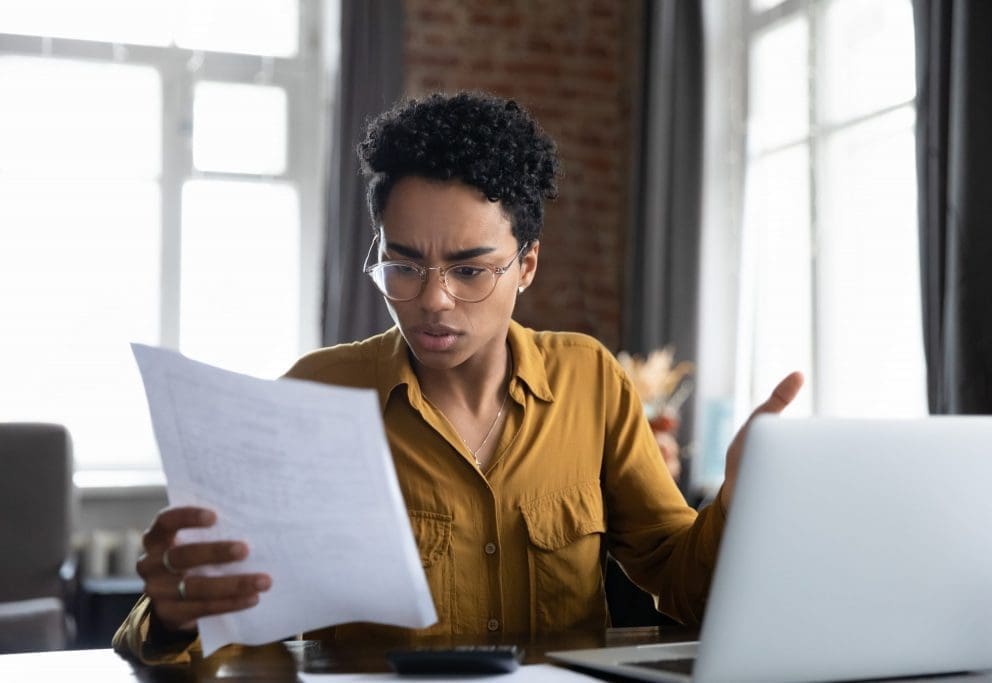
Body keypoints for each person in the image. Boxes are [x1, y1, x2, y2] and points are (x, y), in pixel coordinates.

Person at [113, 91, 802, 664]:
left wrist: (746, 504)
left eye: (470, 270)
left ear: (526, 264)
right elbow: (191, 631)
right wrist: (172, 617)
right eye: (403, 265)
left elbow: (683, 585)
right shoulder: (317, 393)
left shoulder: (590, 380)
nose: (433, 299)